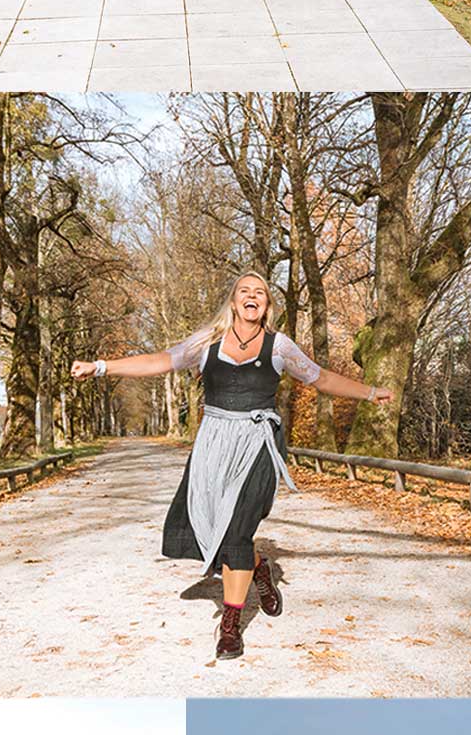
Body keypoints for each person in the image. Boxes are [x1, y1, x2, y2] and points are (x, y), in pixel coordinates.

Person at [71, 273, 393, 662]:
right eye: (245, 291)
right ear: (234, 301)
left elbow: (320, 377)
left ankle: (230, 624)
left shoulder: (280, 347)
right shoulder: (206, 343)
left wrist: (370, 392)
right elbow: (159, 360)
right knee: (218, 529)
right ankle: (259, 569)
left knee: (238, 530)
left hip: (258, 442)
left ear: (267, 305)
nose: (252, 296)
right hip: (214, 443)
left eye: (260, 292)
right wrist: (102, 366)